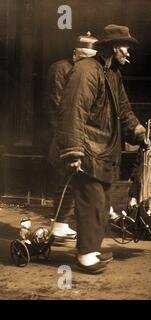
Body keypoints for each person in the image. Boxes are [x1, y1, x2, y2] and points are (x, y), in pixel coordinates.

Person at [53, 24, 147, 273]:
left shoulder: (112, 73)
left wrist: (138, 132)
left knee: (102, 203)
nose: (129, 53)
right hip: (88, 148)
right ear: (115, 48)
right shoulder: (85, 71)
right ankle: (85, 255)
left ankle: (91, 248)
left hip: (104, 149)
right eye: (126, 47)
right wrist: (73, 150)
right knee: (91, 202)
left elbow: (124, 110)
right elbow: (73, 111)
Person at [45, 32, 98, 241]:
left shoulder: (88, 70)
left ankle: (62, 222)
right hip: (63, 131)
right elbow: (58, 105)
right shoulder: (60, 69)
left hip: (80, 131)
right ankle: (57, 223)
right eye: (83, 56)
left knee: (74, 179)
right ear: (74, 53)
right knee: (64, 178)